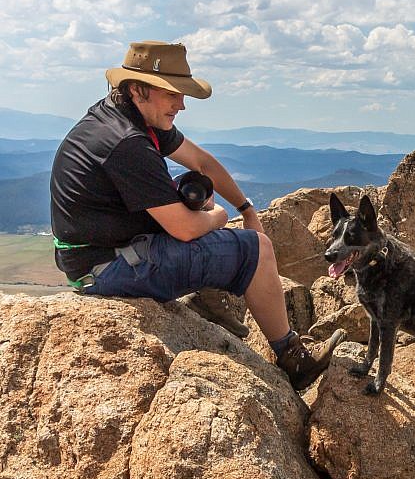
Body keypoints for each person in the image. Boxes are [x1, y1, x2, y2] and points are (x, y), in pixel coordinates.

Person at [50, 40, 343, 390]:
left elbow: (201, 162)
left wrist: (246, 208)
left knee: (188, 189)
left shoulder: (122, 116)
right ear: (138, 90)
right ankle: (294, 359)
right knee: (256, 249)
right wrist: (220, 215)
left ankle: (209, 299)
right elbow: (187, 230)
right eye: (173, 93)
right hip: (107, 270)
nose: (182, 104)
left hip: (97, 256)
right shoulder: (128, 143)